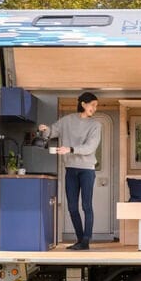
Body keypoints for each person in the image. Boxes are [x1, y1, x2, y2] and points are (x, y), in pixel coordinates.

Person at [38, 92, 101, 250]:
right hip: (71, 169)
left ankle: (86, 240)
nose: (95, 108)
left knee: (86, 205)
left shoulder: (96, 125)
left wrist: (70, 149)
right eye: (93, 104)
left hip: (87, 169)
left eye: (96, 106)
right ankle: (80, 240)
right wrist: (44, 129)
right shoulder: (67, 121)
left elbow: (90, 147)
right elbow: (52, 132)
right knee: (72, 206)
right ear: (83, 104)